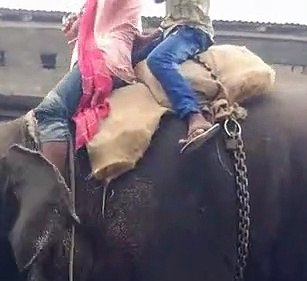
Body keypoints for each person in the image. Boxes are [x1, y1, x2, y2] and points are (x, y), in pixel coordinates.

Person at [32, 0, 144, 176]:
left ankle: (50, 191)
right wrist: (77, 29)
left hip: (105, 62)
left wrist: (82, 18)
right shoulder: (93, 6)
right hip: (98, 63)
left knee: (50, 111)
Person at [135, 0, 217, 154]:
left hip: (193, 30)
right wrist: (149, 38)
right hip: (172, 31)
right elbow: (171, 16)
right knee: (133, 58)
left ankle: (195, 116)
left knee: (159, 59)